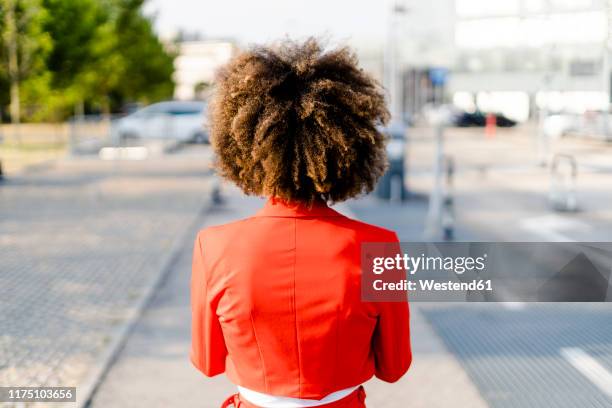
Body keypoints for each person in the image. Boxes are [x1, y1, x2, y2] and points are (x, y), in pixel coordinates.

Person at [191, 38, 411, 408]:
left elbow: (207, 362)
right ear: (350, 147)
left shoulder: (213, 245)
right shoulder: (380, 247)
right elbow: (394, 367)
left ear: (245, 148)